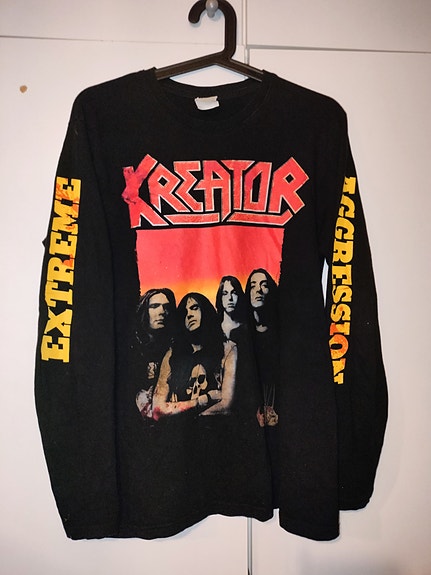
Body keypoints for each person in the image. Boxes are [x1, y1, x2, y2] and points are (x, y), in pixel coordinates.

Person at [152, 292, 237, 420]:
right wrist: (203, 400)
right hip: (180, 429)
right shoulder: (172, 355)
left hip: (215, 428)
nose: (189, 315)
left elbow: (226, 405)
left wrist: (189, 416)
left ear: (205, 310)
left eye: (194, 308)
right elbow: (157, 410)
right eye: (184, 313)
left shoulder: (228, 349)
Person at [134, 288, 176, 418]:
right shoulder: (132, 347)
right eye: (154, 306)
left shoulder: (174, 347)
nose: (162, 312)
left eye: (166, 307)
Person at [245, 269, 280, 427]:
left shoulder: (281, 333)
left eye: (264, 285)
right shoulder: (244, 334)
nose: (258, 290)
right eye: (253, 285)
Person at [215, 275, 247, 342]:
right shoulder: (214, 328)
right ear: (220, 297)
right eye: (225, 293)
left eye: (234, 293)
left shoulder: (247, 328)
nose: (230, 298)